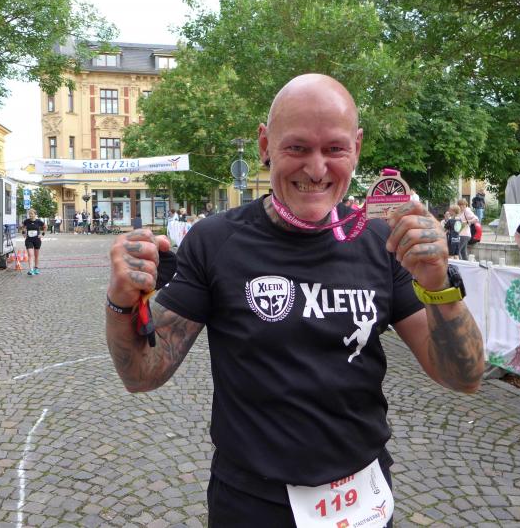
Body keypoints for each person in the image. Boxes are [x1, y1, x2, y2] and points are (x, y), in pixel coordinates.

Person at [106, 74, 484, 525]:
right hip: (253, 503)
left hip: (362, 499)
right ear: (265, 145)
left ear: (357, 148)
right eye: (298, 148)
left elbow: (463, 377)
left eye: (335, 149)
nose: (317, 169)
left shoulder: (382, 242)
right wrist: (121, 303)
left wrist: (438, 284)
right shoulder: (216, 241)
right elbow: (143, 375)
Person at [21, 208, 45, 275]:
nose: (30, 215)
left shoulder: (38, 221)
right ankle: (31, 270)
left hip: (37, 240)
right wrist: (23, 233)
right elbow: (23, 227)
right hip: (29, 240)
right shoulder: (26, 221)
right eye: (29, 214)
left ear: (35, 214)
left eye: (31, 214)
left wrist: (42, 234)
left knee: (36, 255)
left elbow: (45, 227)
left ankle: (36, 268)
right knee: (30, 254)